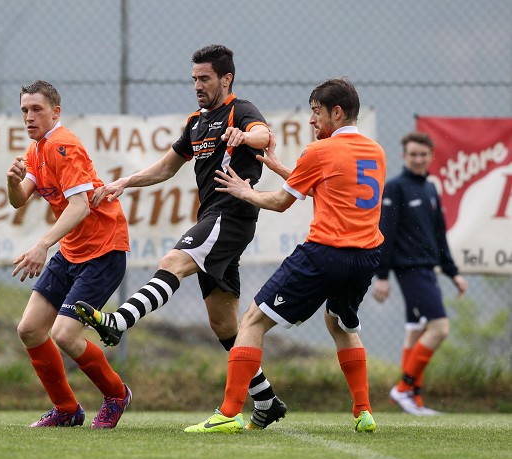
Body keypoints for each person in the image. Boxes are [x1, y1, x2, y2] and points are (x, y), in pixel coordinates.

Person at [75, 44, 286, 430]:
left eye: (205, 78)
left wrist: (244, 136)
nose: (198, 85)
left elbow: (264, 136)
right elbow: (166, 168)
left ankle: (118, 322)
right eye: (194, 79)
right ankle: (266, 399)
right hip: (214, 218)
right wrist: (126, 181)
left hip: (232, 214)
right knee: (225, 326)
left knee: (171, 262)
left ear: (226, 79)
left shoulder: (241, 110)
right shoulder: (197, 122)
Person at [184, 77, 385, 433]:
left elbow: (279, 202)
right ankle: (364, 411)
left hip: (324, 254)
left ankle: (228, 414)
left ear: (336, 113)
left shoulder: (319, 152)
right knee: (339, 324)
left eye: (316, 112)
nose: (311, 120)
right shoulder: (375, 151)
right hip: (365, 258)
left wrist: (243, 191)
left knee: (251, 322)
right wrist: (280, 169)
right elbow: (330, 184)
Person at [7, 80, 132, 429]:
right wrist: (12, 181)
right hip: (72, 251)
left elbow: (79, 207)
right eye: (24, 111)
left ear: (55, 112)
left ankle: (117, 394)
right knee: (30, 329)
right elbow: (20, 199)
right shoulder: (36, 151)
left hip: (104, 251)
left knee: (64, 335)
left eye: (37, 110)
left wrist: (42, 245)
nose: (29, 117)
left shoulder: (64, 146)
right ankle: (66, 409)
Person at [372, 131, 468, 415]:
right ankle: (403, 388)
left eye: (423, 154)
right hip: (409, 270)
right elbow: (385, 233)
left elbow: (439, 236)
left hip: (429, 270)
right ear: (404, 156)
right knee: (439, 328)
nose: (418, 159)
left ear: (430, 156)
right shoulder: (395, 188)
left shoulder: (430, 189)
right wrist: (383, 275)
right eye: (412, 154)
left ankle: (412, 398)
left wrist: (454, 273)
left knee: (415, 331)